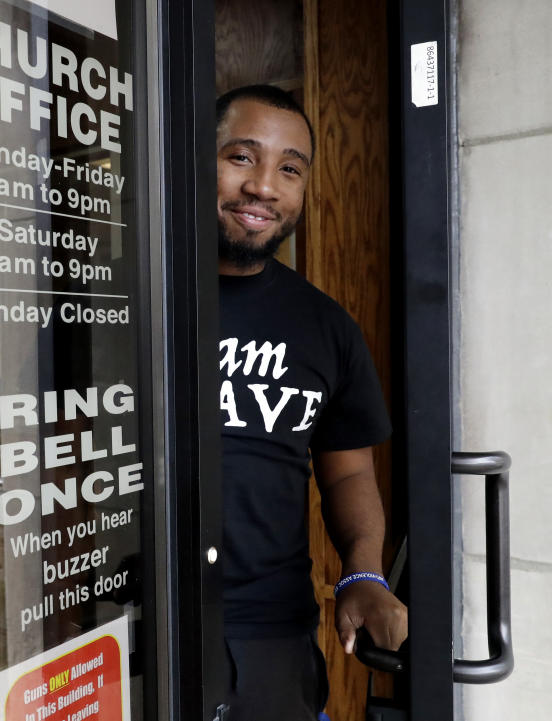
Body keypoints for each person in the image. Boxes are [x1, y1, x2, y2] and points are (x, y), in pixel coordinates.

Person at [216, 84, 408, 720]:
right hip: (128, 626)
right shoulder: (120, 301)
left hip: (272, 637)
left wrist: (363, 574)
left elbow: (348, 467)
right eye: (241, 157)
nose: (264, 187)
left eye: (289, 169)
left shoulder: (325, 326)